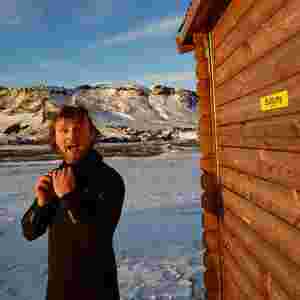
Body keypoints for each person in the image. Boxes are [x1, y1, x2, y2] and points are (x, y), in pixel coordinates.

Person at [21, 105, 126, 300]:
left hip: (98, 290)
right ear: (55, 137)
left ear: (92, 134)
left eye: (78, 129)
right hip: (58, 291)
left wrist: (69, 197)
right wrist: (41, 204)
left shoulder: (109, 179)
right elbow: (29, 232)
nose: (71, 135)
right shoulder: (57, 178)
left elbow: (97, 239)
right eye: (64, 130)